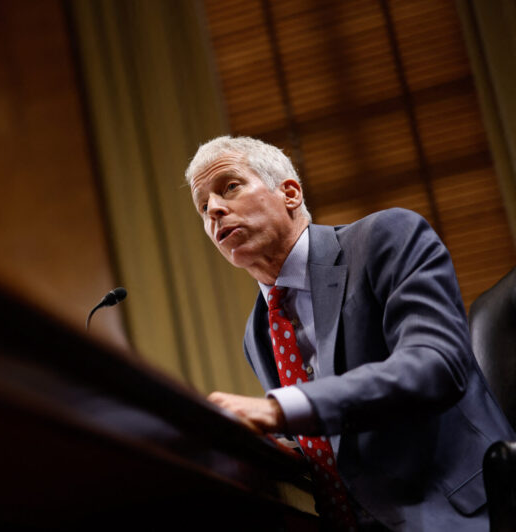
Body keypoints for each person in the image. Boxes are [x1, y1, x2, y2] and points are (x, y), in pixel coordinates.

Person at [186, 135, 514, 531]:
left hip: (462, 516)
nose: (214, 210)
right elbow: (329, 447)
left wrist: (278, 409)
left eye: (230, 187)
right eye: (202, 206)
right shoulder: (257, 333)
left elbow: (436, 364)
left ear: (289, 193)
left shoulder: (386, 238)